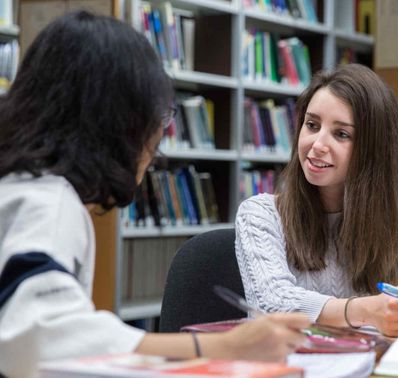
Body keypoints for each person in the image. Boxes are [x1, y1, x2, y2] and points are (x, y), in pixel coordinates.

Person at [0, 11, 308, 377]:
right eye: (158, 116)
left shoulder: (19, 185)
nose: (158, 135)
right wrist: (220, 346)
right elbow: (39, 338)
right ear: (119, 122)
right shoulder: (49, 205)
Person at [235, 64, 398, 337]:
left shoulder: (392, 214)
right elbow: (273, 304)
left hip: (363, 361)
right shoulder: (260, 214)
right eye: (312, 125)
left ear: (372, 150)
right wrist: (366, 310)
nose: (317, 144)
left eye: (341, 134)